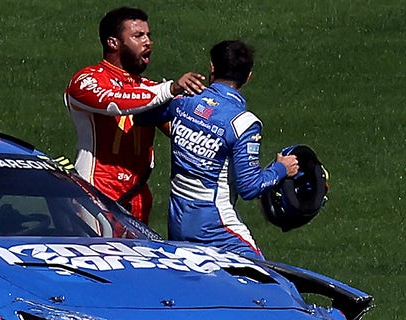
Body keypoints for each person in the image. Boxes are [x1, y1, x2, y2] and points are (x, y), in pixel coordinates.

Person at [135, 40, 298, 258]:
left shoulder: (184, 100)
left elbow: (141, 115)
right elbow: (249, 187)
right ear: (248, 77)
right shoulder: (243, 123)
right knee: (266, 282)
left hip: (178, 221)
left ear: (212, 67)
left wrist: (168, 90)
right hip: (216, 226)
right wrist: (281, 169)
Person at [64, 7, 206, 224]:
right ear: (113, 43)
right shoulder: (86, 80)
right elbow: (115, 102)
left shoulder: (151, 90)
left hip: (138, 197)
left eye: (149, 35)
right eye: (138, 36)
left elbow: (182, 131)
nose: (148, 42)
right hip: (95, 194)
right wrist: (170, 89)